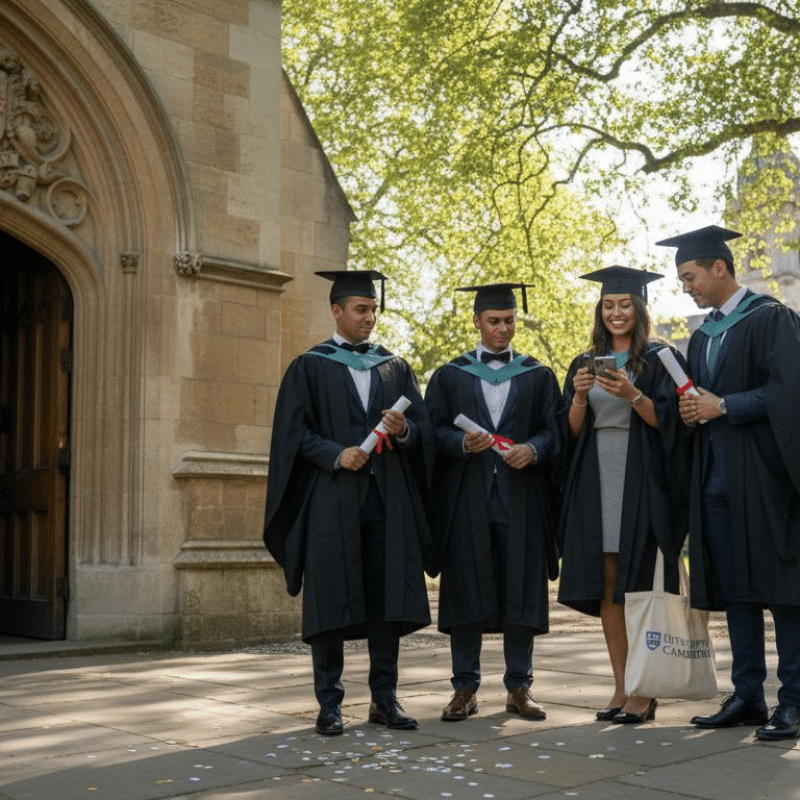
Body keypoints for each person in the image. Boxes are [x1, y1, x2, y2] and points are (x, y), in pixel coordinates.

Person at [263, 270, 433, 736]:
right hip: (332, 499)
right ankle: (329, 703)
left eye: (374, 309)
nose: (370, 318)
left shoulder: (394, 366)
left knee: (387, 598)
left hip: (386, 497)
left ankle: (384, 699)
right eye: (361, 309)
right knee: (331, 597)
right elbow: (293, 435)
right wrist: (336, 454)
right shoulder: (310, 365)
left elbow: (422, 431)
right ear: (337, 311)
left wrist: (404, 432)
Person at [657, 224, 800, 741]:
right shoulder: (702, 336)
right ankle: (746, 696)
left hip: (766, 479)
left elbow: (790, 393)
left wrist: (726, 405)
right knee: (737, 590)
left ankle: (794, 701)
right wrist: (694, 409)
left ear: (721, 269)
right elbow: (704, 403)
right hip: (715, 481)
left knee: (783, 592)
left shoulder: (773, 320)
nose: (687, 287)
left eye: (690, 276)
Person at [557, 266, 689, 724]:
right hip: (597, 481)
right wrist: (577, 396)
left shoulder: (661, 359)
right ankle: (622, 686)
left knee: (641, 586)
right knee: (610, 590)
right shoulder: (584, 361)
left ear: (639, 309)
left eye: (625, 304)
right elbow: (569, 434)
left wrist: (633, 394)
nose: (616, 312)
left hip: (644, 482)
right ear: (600, 309)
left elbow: (673, 424)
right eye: (609, 305)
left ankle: (646, 689)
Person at [424, 282, 560, 722]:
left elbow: (553, 431)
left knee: (521, 589)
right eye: (495, 321)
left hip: (520, 499)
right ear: (477, 322)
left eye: (510, 321)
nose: (504, 329)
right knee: (465, 589)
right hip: (468, 499)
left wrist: (533, 449)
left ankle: (519, 688)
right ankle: (465, 688)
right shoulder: (451, 375)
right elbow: (431, 431)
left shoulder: (536, 374)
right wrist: (461, 442)